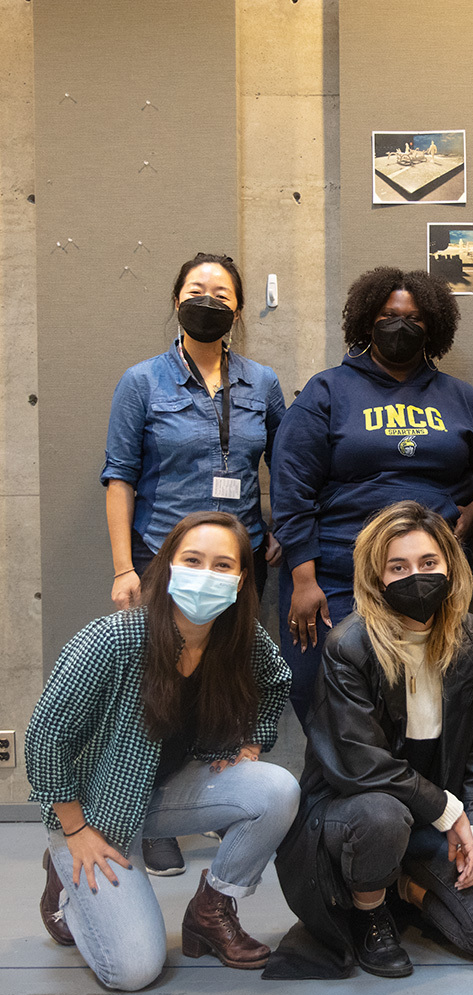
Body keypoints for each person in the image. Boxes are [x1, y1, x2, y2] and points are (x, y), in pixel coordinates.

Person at [27, 512, 299, 992]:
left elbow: (276, 681)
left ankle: (210, 910)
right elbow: (44, 737)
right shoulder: (111, 639)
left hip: (168, 792)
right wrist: (74, 829)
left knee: (277, 788)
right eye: (193, 560)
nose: (206, 575)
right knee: (132, 971)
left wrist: (252, 745)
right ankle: (63, 875)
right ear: (168, 565)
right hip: (95, 812)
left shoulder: (237, 640)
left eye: (222, 566)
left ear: (239, 581)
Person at [267, 501, 473, 980]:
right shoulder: (349, 644)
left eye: (428, 563)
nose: (416, 576)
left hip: (428, 820)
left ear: (450, 564)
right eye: (397, 567)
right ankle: (368, 911)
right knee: (384, 814)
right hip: (352, 815)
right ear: (376, 578)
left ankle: (402, 888)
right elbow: (361, 766)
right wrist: (451, 812)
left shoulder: (472, 639)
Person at [102, 253, 286, 876]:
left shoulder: (261, 383)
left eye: (221, 293)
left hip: (242, 560)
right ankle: (152, 817)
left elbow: (286, 464)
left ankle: (214, 797)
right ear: (177, 299)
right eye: (196, 289)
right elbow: (120, 477)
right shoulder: (142, 381)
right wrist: (126, 567)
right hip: (165, 559)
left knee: (229, 676)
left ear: (237, 308)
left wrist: (282, 530)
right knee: (160, 686)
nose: (208, 300)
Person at [271, 267, 473, 730]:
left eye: (413, 318)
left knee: (420, 705)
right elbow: (292, 485)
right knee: (325, 698)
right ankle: (337, 797)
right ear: (367, 321)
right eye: (389, 315)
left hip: (427, 575)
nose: (400, 325)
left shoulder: (460, 397)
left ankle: (412, 796)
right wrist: (303, 579)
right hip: (334, 572)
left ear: (433, 326)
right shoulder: (327, 390)